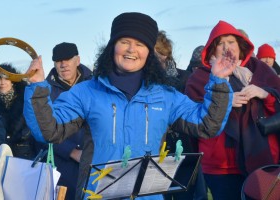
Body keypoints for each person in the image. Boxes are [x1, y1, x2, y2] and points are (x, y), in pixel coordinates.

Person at [24, 12, 236, 200]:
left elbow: (206, 124)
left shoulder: (165, 96)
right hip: (97, 195)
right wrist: (37, 88)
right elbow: (49, 131)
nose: (131, 50)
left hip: (148, 197)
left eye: (141, 44)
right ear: (112, 46)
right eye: (125, 41)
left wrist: (218, 82)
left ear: (149, 53)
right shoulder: (87, 92)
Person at [185, 20, 280, 200]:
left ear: (240, 46)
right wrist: (223, 102)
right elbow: (193, 119)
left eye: (231, 42)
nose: (227, 47)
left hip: (264, 159)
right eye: (220, 43)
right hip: (222, 166)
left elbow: (277, 104)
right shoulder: (199, 78)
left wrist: (265, 94)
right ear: (212, 49)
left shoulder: (260, 70)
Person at [34, 42, 92, 200]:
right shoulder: (44, 91)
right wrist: (71, 151)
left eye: (68, 59)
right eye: (58, 60)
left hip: (94, 164)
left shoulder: (96, 85)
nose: (63, 64)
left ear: (78, 60)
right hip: (61, 167)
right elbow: (39, 130)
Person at [155, 30, 207, 200]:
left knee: (184, 194)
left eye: (162, 52)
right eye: (155, 52)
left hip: (182, 147)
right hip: (156, 149)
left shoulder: (184, 77)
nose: (159, 57)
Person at [0, 64, 36, 159]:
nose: (2, 82)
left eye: (6, 79)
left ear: (13, 81)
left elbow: (35, 122)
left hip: (24, 152)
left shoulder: (26, 98)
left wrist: (25, 134)